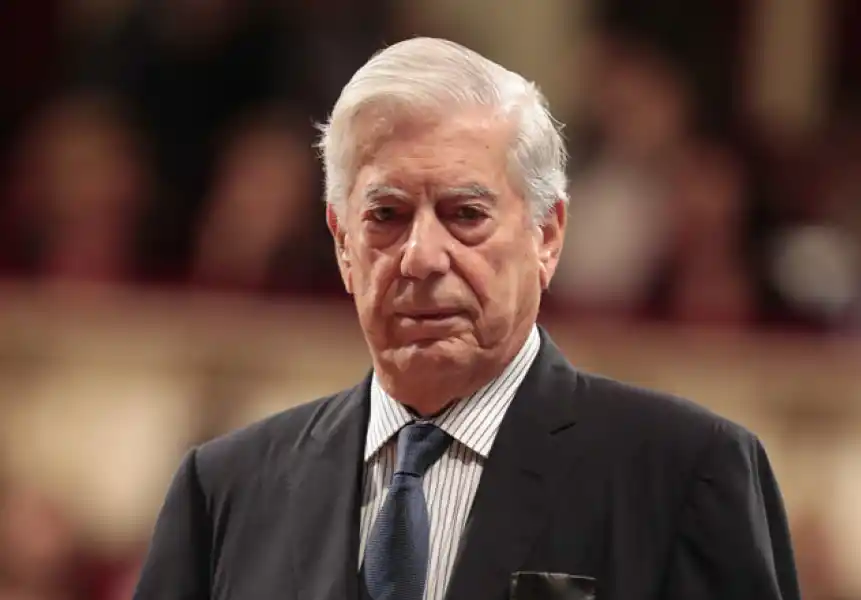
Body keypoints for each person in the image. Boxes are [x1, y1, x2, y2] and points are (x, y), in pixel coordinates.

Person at [133, 38, 800, 600]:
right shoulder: (223, 491)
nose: (422, 257)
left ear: (547, 235)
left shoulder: (686, 472)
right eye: (386, 215)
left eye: (465, 215)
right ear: (341, 243)